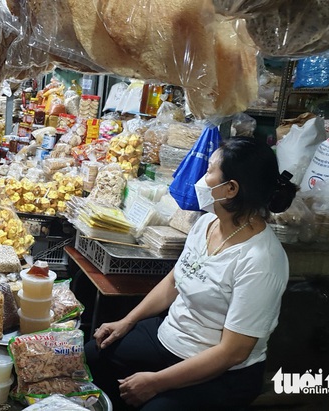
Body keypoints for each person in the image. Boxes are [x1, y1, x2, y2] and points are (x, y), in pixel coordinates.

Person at [84, 137, 297, 410]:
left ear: (230, 188)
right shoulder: (207, 223)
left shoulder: (261, 261)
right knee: (93, 354)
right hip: (170, 336)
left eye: (209, 171)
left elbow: (233, 352)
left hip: (221, 372)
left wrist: (156, 382)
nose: (201, 178)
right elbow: (175, 279)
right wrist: (127, 321)